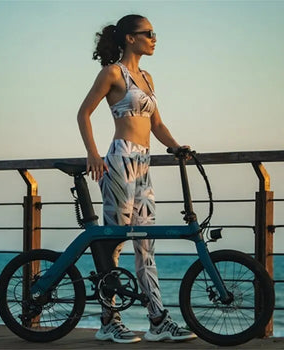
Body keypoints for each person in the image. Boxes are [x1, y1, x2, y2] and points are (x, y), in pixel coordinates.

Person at [77, 14, 197, 343]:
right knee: (113, 242)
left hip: (144, 164)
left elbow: (157, 124)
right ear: (130, 38)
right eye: (148, 33)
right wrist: (92, 153)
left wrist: (176, 147)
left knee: (146, 243)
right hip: (119, 160)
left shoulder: (147, 77)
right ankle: (108, 320)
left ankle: (157, 319)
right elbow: (83, 112)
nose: (154, 38)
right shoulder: (113, 73)